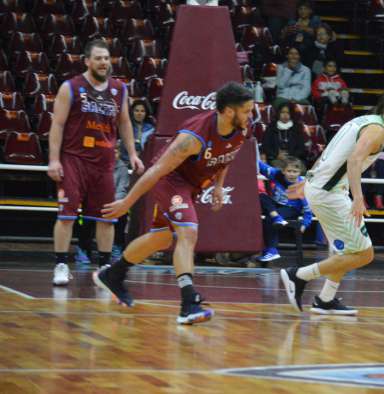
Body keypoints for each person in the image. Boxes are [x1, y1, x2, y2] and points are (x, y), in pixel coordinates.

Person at [94, 82, 254, 325]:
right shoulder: (192, 138)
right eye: (247, 110)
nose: (250, 115)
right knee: (187, 232)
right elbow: (156, 171)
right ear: (229, 111)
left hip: (192, 185)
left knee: (161, 238)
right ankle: (189, 302)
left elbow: (227, 155)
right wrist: (127, 202)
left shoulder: (242, 127)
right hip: (169, 180)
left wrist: (219, 186)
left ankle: (113, 274)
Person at [280, 87, 384, 315]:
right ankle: (298, 275)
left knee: (346, 252)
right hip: (329, 194)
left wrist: (309, 179)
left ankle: (325, 299)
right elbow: (353, 160)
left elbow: (329, 152)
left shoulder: (362, 120)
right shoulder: (376, 130)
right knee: (364, 253)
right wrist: (358, 199)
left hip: (323, 189)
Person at [47, 39, 144, 286]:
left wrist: (132, 153)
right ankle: (60, 264)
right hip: (74, 160)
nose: (103, 62)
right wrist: (54, 160)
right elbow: (57, 125)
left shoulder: (119, 89)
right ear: (87, 61)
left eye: (106, 58)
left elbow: (124, 123)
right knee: (67, 216)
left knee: (106, 218)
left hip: (104, 163)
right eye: (98, 58)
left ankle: (104, 268)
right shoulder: (71, 87)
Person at [257, 157, 312, 262]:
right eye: (289, 171)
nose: (292, 174)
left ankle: (272, 250)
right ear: (283, 171)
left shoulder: (302, 185)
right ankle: (276, 217)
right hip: (275, 205)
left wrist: (305, 223)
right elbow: (263, 167)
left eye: (295, 171)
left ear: (300, 172)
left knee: (269, 218)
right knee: (262, 196)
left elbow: (307, 207)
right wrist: (252, 153)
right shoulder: (277, 174)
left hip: (291, 208)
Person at [120, 100, 155, 165]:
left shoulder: (151, 128)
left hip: (144, 163)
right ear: (132, 112)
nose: (139, 113)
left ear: (146, 113)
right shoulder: (126, 127)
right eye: (136, 110)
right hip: (125, 162)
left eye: (142, 111)